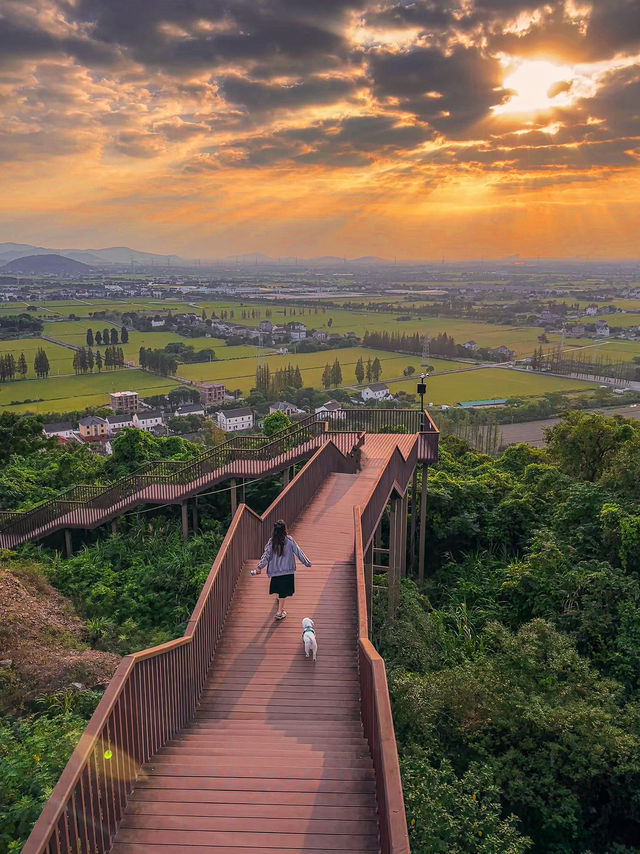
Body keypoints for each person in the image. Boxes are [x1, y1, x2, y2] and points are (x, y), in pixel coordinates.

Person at [255, 519, 311, 621]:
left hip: (276, 571)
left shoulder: (272, 542)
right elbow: (299, 552)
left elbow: (266, 557)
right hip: (287, 571)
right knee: (283, 592)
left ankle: (279, 601)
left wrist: (259, 567)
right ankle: (280, 612)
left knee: (281, 589)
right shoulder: (289, 541)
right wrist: (306, 563)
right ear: (285, 529)